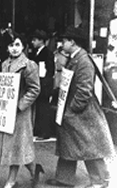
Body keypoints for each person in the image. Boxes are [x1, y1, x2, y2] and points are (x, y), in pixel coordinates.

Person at [46, 26, 116, 188]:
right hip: (76, 110)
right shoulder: (76, 58)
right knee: (70, 144)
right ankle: (65, 178)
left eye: (64, 41)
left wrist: (72, 110)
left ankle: (100, 180)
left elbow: (84, 90)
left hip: (82, 112)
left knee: (89, 146)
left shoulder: (83, 61)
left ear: (72, 42)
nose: (62, 44)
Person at [0, 32, 44, 188]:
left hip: (20, 113)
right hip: (7, 111)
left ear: (23, 46)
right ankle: (34, 169)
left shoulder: (29, 65)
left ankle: (11, 180)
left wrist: (20, 105)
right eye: (11, 45)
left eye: (17, 44)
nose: (14, 48)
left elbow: (35, 89)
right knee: (17, 146)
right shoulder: (4, 64)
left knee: (17, 145)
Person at [31, 29, 55, 140]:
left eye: (35, 40)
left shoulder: (47, 53)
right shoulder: (36, 52)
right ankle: (38, 130)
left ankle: (45, 132)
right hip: (38, 82)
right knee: (39, 107)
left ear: (41, 40)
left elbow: (50, 70)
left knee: (43, 108)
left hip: (44, 84)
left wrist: (45, 83)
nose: (32, 42)